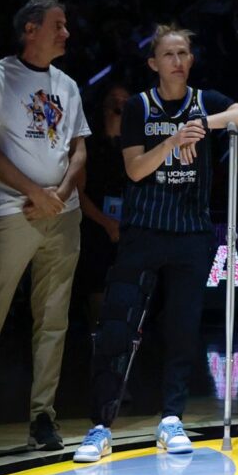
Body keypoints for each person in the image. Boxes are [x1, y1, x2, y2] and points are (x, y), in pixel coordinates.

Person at [73, 24, 238, 464]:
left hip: (191, 233)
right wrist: (172, 141)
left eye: (184, 53)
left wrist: (203, 124)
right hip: (144, 229)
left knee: (182, 329)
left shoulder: (203, 100)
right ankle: (100, 424)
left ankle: (171, 417)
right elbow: (135, 170)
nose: (178, 60)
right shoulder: (138, 106)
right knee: (118, 326)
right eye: (169, 54)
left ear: (191, 61)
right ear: (154, 63)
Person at [0, 0, 90, 451]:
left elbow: (80, 149)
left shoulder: (66, 84)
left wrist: (61, 195)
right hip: (14, 211)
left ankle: (43, 416)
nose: (66, 33)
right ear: (30, 29)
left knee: (53, 320)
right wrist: (35, 193)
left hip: (61, 215)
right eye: (58, 25)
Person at [77, 83, 129, 331]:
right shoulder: (89, 145)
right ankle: (98, 334)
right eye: (114, 98)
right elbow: (79, 193)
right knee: (96, 281)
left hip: (128, 226)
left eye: (124, 99)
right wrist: (106, 223)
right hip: (95, 223)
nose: (119, 104)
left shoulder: (136, 146)